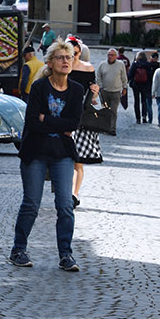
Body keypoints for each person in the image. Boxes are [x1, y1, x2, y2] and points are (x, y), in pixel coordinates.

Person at [10, 41, 85, 272]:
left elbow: (74, 123)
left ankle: (66, 255)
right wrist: (54, 124)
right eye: (61, 57)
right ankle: (18, 250)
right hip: (36, 152)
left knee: (65, 205)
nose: (66, 61)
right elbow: (32, 121)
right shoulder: (40, 87)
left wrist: (47, 120)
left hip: (62, 153)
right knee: (31, 204)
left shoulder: (76, 90)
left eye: (69, 57)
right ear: (50, 63)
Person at [67, 37, 101, 208]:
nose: (72, 56)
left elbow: (93, 97)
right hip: (61, 115)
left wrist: (95, 92)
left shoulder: (88, 68)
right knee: (62, 158)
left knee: (77, 160)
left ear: (80, 52)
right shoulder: (60, 67)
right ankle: (64, 191)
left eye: (75, 53)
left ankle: (74, 193)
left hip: (81, 116)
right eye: (68, 53)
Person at [95, 48, 128, 134]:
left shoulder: (120, 65)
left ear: (116, 56)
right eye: (109, 55)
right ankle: (105, 127)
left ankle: (112, 128)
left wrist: (125, 87)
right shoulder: (102, 65)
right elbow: (98, 77)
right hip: (104, 91)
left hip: (116, 91)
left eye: (112, 55)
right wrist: (100, 87)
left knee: (113, 111)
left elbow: (124, 77)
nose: (110, 57)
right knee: (105, 110)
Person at [128, 50, 154, 124]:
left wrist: (127, 82)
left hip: (135, 84)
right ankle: (144, 117)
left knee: (136, 101)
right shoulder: (148, 64)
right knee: (144, 101)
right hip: (145, 84)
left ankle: (138, 118)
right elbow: (150, 76)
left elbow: (130, 75)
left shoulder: (135, 64)